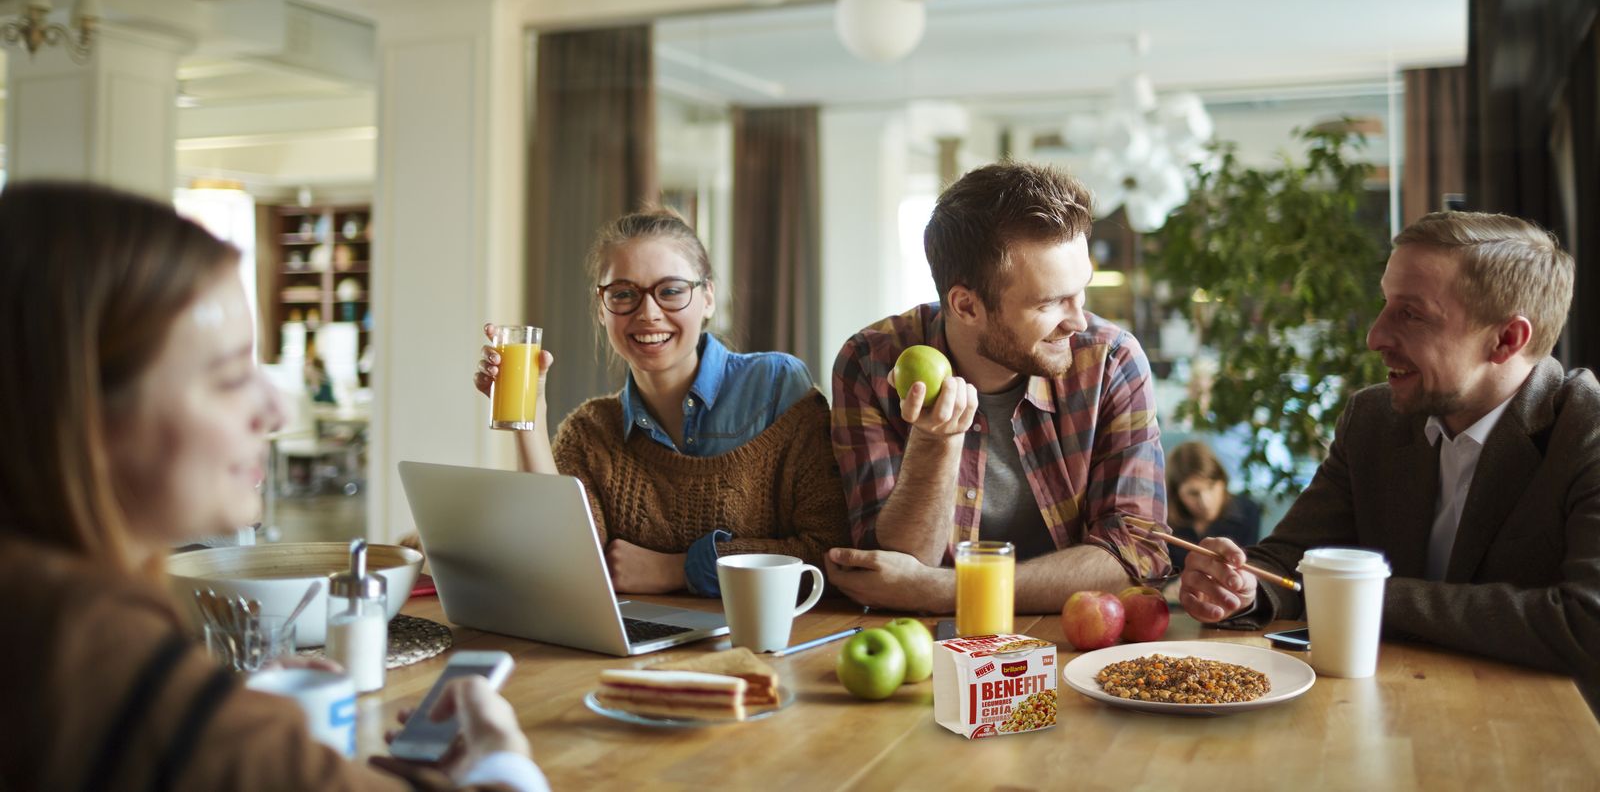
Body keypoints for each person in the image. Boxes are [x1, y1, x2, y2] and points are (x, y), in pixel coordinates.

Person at [0, 181, 546, 792]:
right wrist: (501, 758)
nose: (276, 411)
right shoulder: (111, 668)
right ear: (81, 413)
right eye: (231, 376)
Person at [1179, 211, 1600, 687]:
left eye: (1412, 314)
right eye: (1385, 304)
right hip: (1388, 707)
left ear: (1506, 339)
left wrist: (1365, 595)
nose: (1374, 337)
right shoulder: (1373, 420)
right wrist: (1243, 587)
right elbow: (1290, 559)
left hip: (1538, 736)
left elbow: (1588, 623)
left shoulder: (1586, 428)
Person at [827, 162, 1171, 614]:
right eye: (1051, 303)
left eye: (1080, 292)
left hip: (1072, 642)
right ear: (966, 305)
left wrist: (947, 590)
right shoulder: (870, 364)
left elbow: (1137, 557)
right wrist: (935, 443)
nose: (1078, 321)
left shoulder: (1110, 361)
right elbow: (892, 572)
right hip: (932, 649)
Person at [474, 207, 849, 597]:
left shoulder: (775, 386)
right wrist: (529, 415)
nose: (649, 313)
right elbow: (556, 565)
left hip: (767, 644)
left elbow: (829, 554)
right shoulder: (590, 432)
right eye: (623, 294)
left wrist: (679, 569)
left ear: (707, 298)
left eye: (670, 291)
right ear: (601, 308)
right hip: (631, 651)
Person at [1164, 441, 1260, 574]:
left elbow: (1251, 569)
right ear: (1176, 495)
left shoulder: (1247, 512)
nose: (1205, 501)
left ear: (1223, 481)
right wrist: (1173, 585)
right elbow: (1161, 577)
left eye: (1211, 487)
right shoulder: (1165, 524)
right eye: (1193, 493)